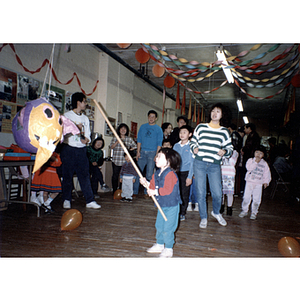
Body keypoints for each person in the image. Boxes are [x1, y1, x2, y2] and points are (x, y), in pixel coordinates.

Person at [190, 103, 233, 229]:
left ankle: (216, 212)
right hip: (200, 163)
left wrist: (224, 151)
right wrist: (194, 148)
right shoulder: (201, 127)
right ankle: (203, 217)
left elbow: (229, 148)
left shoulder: (224, 131)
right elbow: (193, 141)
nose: (215, 113)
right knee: (201, 192)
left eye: (218, 112)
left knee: (217, 193)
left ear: (222, 115)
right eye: (213, 111)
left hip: (214, 165)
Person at [61, 92, 101, 209]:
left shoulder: (85, 118)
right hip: (68, 149)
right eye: (84, 101)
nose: (85, 104)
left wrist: (86, 140)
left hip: (81, 150)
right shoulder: (66, 116)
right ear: (78, 102)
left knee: (84, 175)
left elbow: (87, 134)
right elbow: (62, 133)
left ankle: (90, 201)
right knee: (67, 175)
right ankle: (66, 199)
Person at [139, 148, 182, 258]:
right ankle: (159, 244)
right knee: (159, 225)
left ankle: (168, 248)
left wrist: (154, 191)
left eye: (159, 156)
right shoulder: (156, 174)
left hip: (172, 206)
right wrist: (146, 183)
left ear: (169, 161)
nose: (156, 158)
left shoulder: (171, 174)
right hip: (162, 205)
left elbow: (167, 190)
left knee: (168, 227)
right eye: (157, 156)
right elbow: (152, 187)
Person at [133, 110, 163, 196]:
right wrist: (138, 152)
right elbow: (139, 140)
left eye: (153, 117)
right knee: (138, 172)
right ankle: (135, 191)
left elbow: (159, 143)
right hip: (142, 152)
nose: (151, 118)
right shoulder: (143, 127)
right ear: (148, 117)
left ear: (156, 118)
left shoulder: (158, 129)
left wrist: (157, 155)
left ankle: (147, 192)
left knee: (149, 174)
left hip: (152, 153)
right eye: (150, 116)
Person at [239, 145, 271, 220]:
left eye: (260, 153)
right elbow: (249, 168)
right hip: (249, 182)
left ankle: (254, 212)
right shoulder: (250, 160)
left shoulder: (264, 164)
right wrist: (255, 163)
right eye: (257, 152)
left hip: (259, 184)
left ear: (263, 155)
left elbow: (267, 173)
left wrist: (266, 181)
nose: (258, 155)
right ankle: (244, 210)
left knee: (257, 199)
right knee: (246, 197)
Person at [173, 125, 194, 221]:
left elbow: (192, 163)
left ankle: (182, 212)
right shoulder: (176, 145)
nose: (182, 134)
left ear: (190, 134)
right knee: (175, 193)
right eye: (181, 132)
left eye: (184, 132)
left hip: (186, 173)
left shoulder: (191, 146)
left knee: (184, 194)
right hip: (175, 173)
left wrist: (190, 176)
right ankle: (175, 212)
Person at [110, 123, 137, 193]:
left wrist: (129, 151)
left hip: (125, 161)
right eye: (121, 128)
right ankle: (115, 190)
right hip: (116, 160)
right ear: (119, 130)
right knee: (115, 176)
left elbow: (135, 146)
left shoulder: (129, 139)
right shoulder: (115, 137)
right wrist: (117, 142)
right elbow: (111, 147)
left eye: (124, 129)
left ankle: (122, 190)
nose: (123, 130)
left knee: (124, 177)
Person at [220, 149, 239, 216]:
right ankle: (221, 207)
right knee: (221, 192)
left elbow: (232, 162)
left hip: (230, 175)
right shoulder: (221, 150)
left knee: (229, 193)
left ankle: (229, 208)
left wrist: (227, 154)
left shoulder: (235, 152)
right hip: (221, 173)